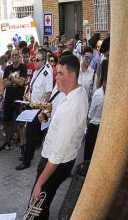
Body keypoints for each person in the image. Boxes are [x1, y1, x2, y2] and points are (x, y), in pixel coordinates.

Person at [28, 54, 87, 220]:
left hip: (55, 162)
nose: (56, 77)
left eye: (60, 73)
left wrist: (39, 183)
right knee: (44, 204)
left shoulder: (72, 107)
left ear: (72, 75)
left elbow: (57, 156)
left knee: (35, 206)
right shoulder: (77, 92)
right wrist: (47, 116)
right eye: (56, 73)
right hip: (63, 159)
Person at [17, 51, 54, 170]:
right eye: (34, 59)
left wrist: (44, 110)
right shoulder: (37, 71)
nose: (34, 61)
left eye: (37, 60)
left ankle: (27, 160)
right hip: (31, 106)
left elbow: (48, 92)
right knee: (29, 133)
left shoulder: (46, 73)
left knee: (30, 134)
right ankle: (28, 155)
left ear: (43, 61)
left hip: (38, 108)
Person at [0, 50, 27, 151]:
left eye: (16, 55)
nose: (14, 56)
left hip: (19, 99)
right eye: (13, 55)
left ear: (19, 56)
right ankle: (8, 141)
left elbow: (21, 83)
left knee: (20, 123)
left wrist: (11, 78)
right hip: (9, 98)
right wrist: (16, 80)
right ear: (10, 57)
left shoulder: (23, 67)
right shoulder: (8, 68)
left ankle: (22, 144)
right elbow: (4, 84)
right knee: (7, 122)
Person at [83, 59, 107, 162]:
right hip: (104, 126)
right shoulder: (110, 92)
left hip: (94, 127)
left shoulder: (99, 93)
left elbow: (90, 115)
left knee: (88, 155)